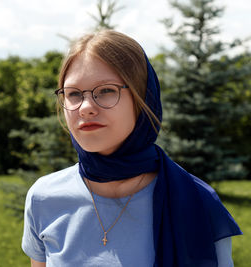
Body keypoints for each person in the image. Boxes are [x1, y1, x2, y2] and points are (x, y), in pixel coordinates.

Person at [21, 30, 242, 267]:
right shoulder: (43, 197)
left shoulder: (197, 201)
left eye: (106, 90)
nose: (85, 107)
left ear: (143, 98)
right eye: (73, 94)